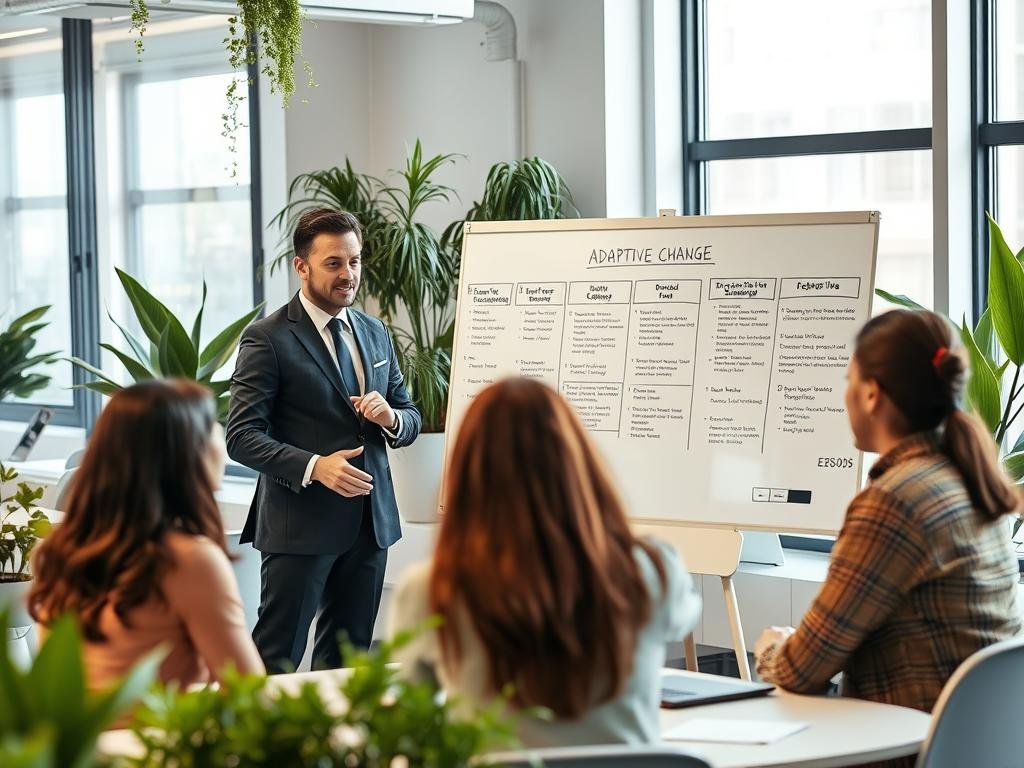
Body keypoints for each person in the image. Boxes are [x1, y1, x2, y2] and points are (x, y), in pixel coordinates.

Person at [388, 377, 700, 747]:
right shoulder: (651, 568)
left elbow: (407, 723)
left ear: (468, 472)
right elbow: (678, 621)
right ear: (577, 462)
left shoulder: (431, 588)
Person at [755, 310, 1022, 732]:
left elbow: (799, 670)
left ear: (872, 393)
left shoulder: (895, 503)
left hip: (900, 751)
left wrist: (773, 645)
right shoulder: (968, 480)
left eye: (848, 380)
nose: (844, 395)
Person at [227, 207, 421, 673]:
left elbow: (411, 415)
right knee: (276, 659)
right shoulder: (267, 339)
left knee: (348, 666)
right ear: (302, 266)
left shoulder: (374, 332)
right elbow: (241, 437)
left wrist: (391, 417)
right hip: (300, 526)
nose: (348, 274)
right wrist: (316, 466)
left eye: (354, 262)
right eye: (334, 263)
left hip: (370, 526)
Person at [28, 379, 264, 690]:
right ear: (184, 452)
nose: (221, 441)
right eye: (213, 428)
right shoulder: (189, 560)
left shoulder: (64, 547)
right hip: (149, 737)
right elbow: (247, 690)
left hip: (79, 736)